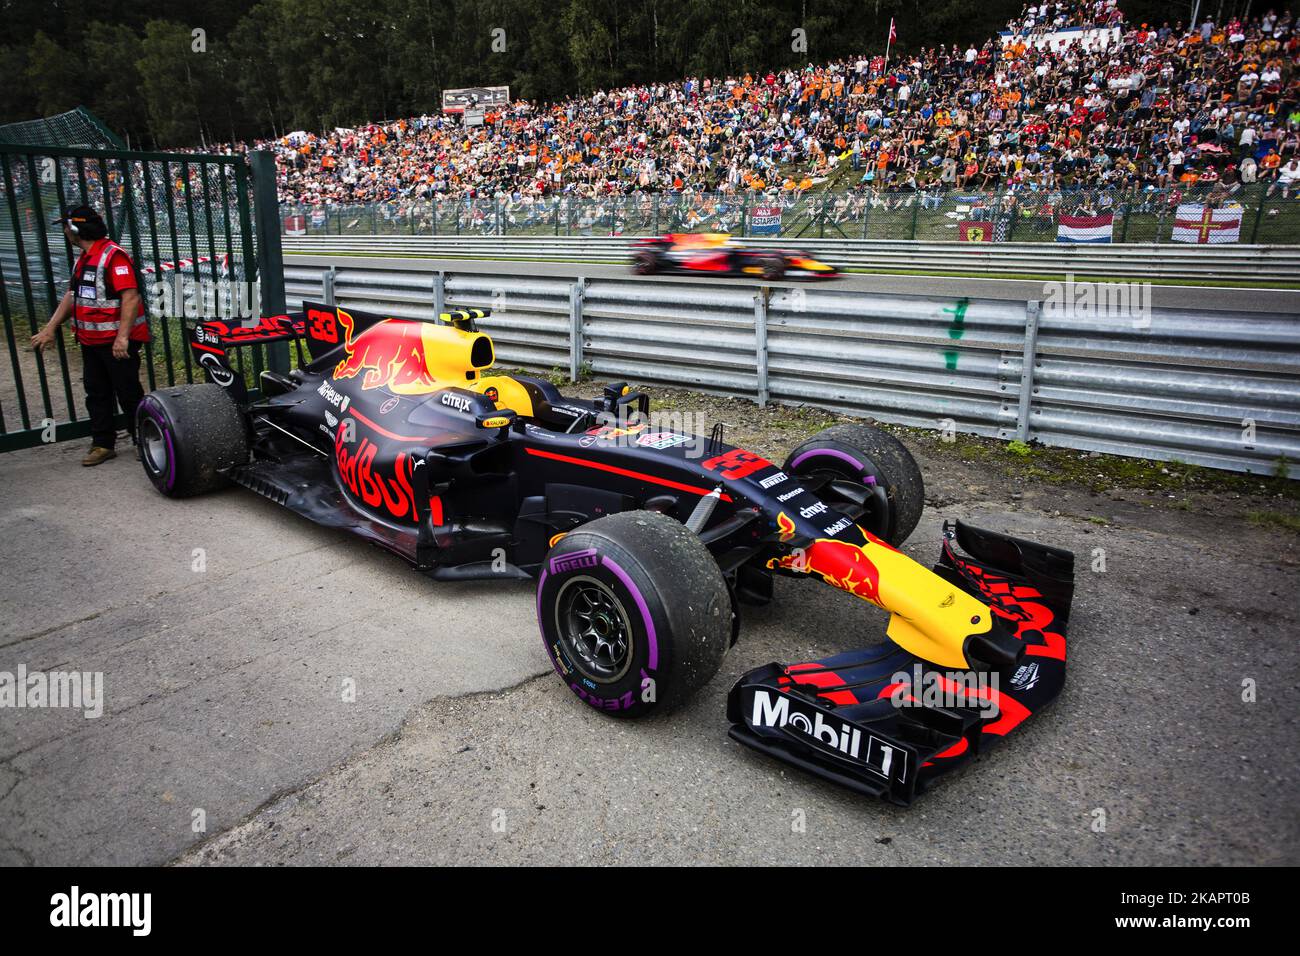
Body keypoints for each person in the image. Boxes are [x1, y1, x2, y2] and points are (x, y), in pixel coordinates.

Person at [30, 205, 150, 466]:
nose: (64, 232)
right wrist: (51, 327)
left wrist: (122, 337)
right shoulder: (84, 258)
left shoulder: (113, 256)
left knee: (128, 393)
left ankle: (144, 440)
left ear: (75, 229)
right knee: (96, 392)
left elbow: (130, 297)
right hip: (91, 340)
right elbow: (73, 296)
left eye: (66, 226)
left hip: (116, 342)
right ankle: (103, 444)